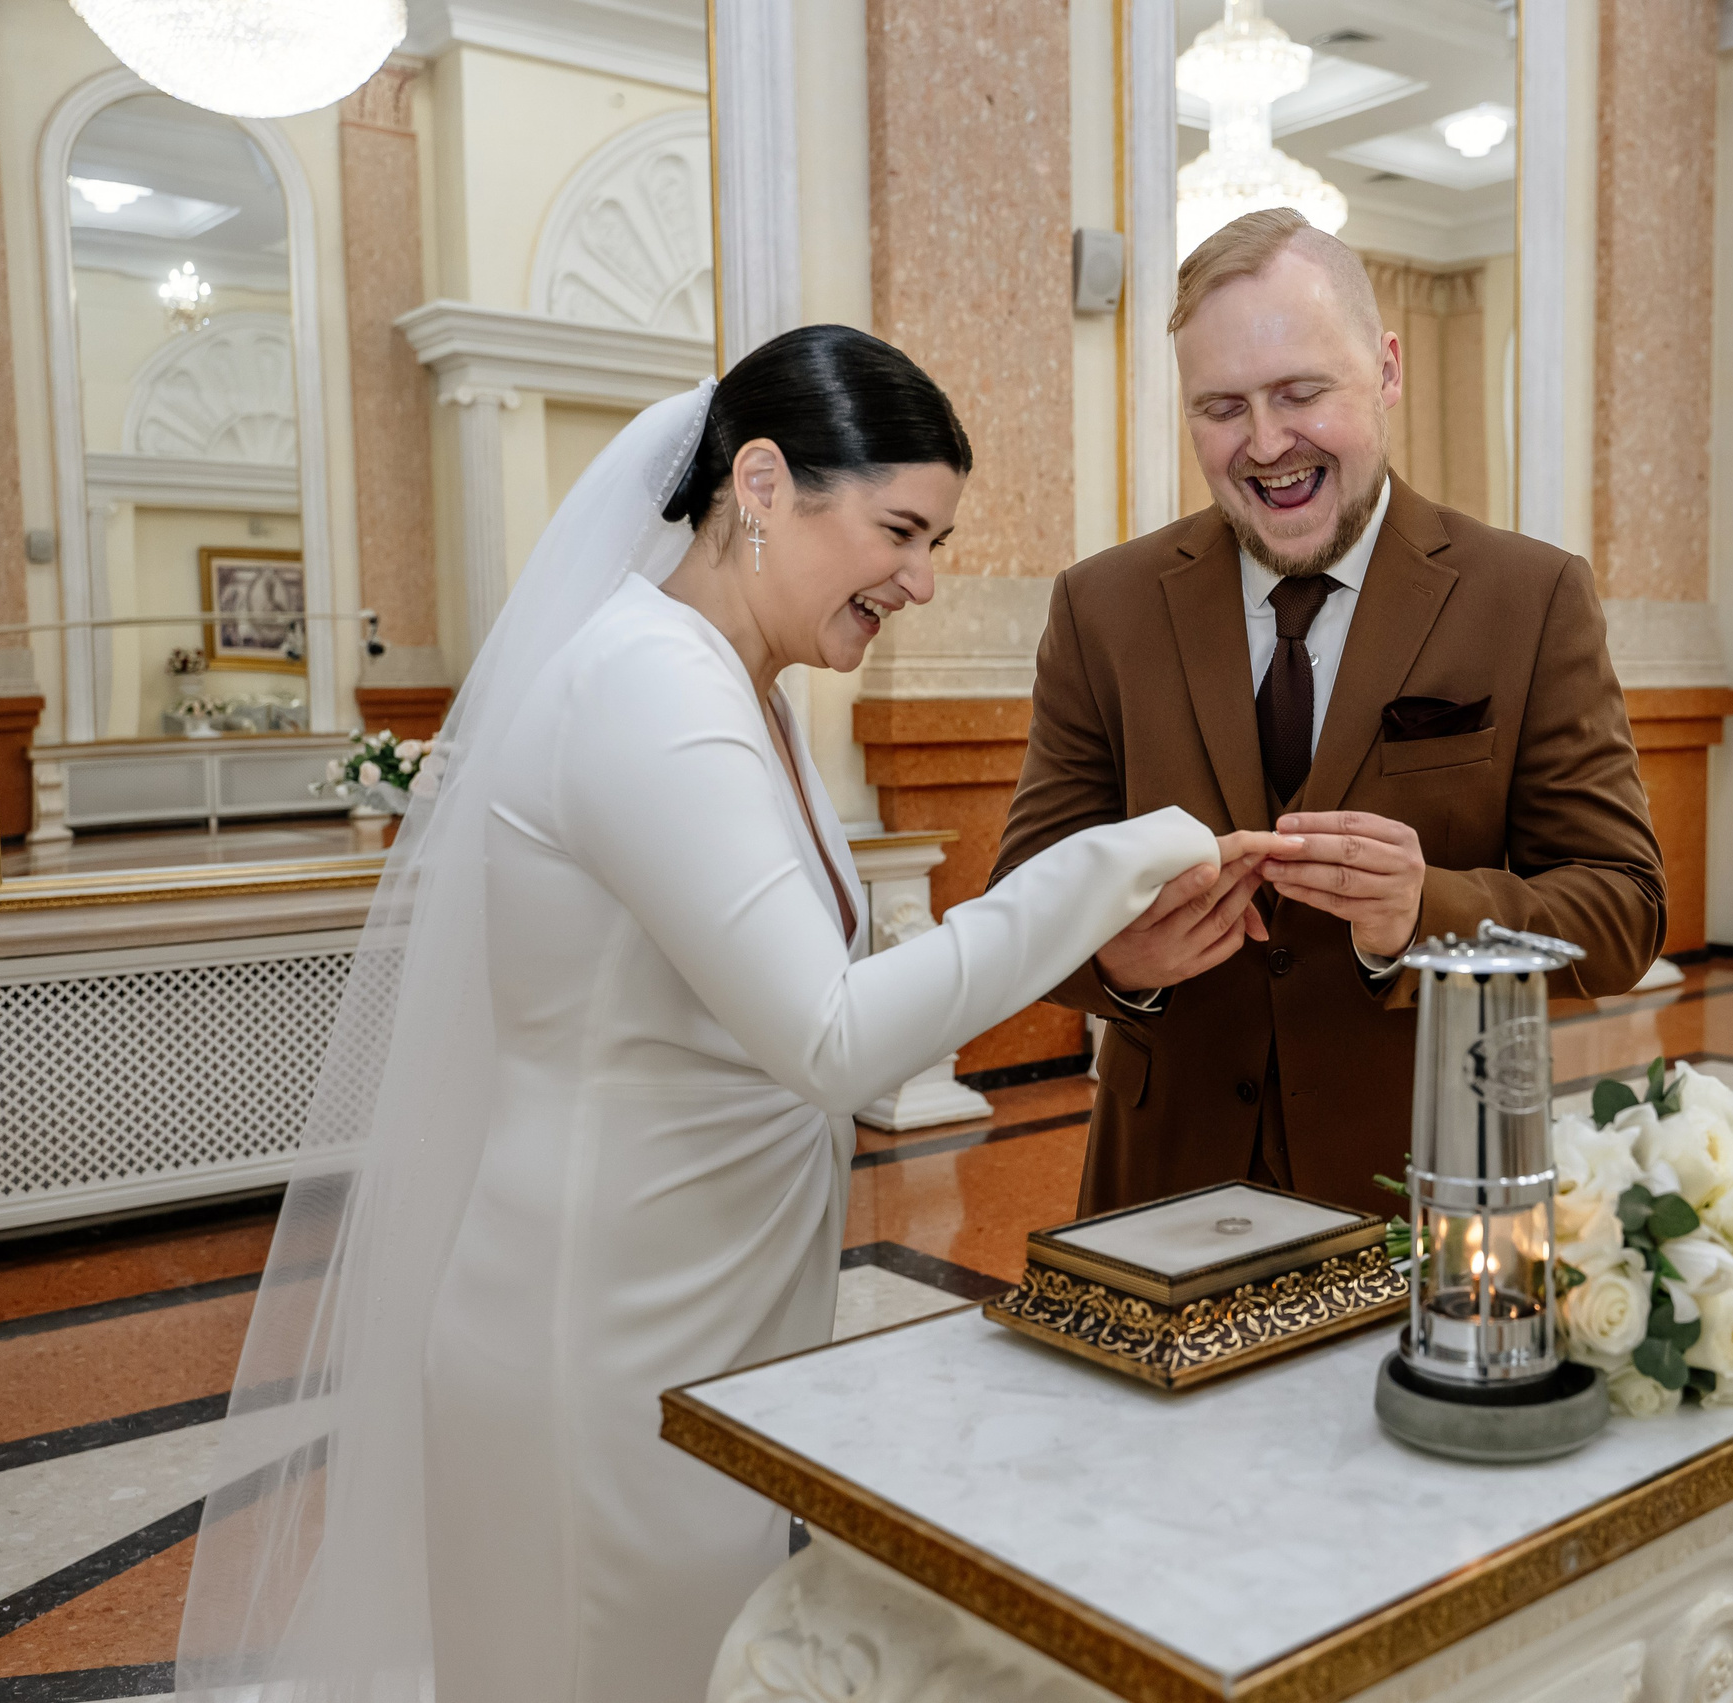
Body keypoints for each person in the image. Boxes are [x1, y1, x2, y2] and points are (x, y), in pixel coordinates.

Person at [174, 328, 1274, 1703]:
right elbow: (829, 1035)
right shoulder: (648, 683)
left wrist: (1104, 931)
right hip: (601, 1324)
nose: (923, 580)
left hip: (705, 1305)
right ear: (760, 484)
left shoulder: (741, 686)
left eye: (935, 541)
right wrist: (1115, 857)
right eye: (900, 531)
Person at [993, 209, 1668, 1216]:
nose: (1267, 443)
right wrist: (1117, 963)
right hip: (1164, 1184)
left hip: (1427, 1182)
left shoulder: (1530, 599)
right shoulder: (1102, 607)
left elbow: (1623, 908)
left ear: (1386, 370)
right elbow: (1023, 895)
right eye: (1222, 407)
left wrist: (1425, 913)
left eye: (1301, 393)